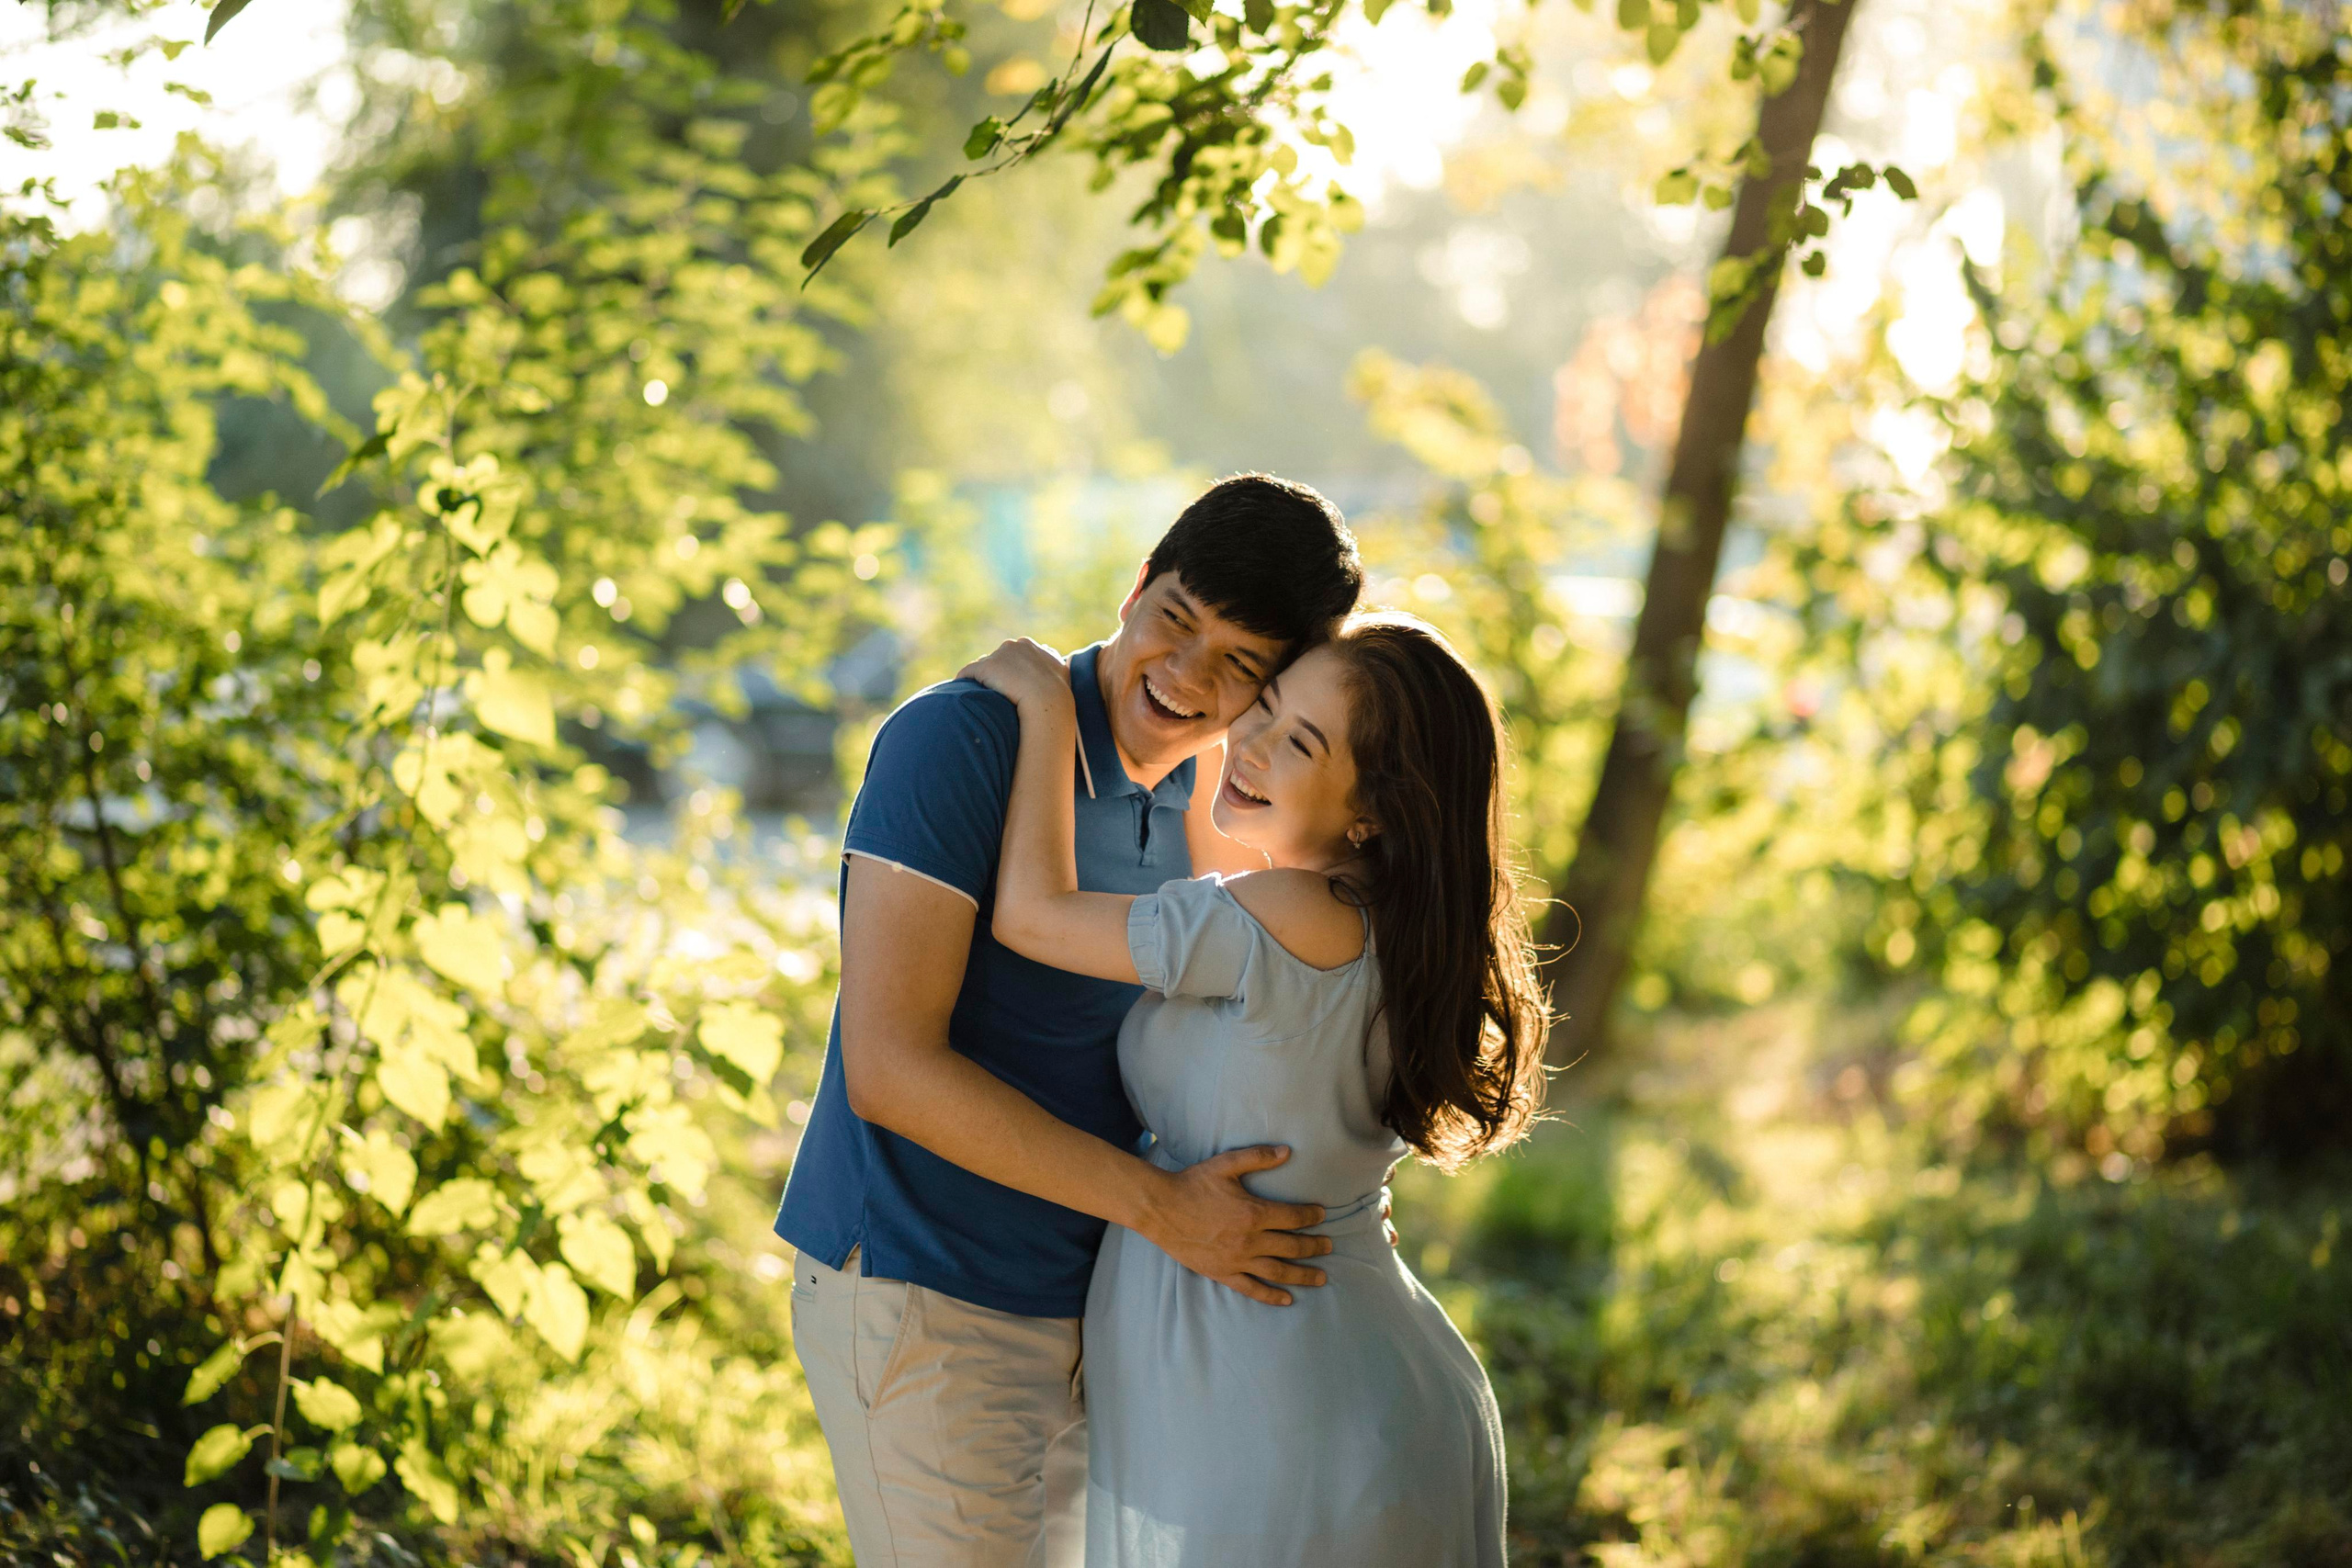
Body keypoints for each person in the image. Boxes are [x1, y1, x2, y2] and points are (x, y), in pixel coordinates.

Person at [774, 475, 1365, 1567]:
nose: (1185, 676)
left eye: (1239, 662)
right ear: (1138, 584)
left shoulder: (1206, 805)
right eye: (1175, 621)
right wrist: (1164, 1211)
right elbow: (891, 1068)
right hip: (927, 1294)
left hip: (1095, 1315)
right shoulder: (967, 740)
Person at [958, 611, 1549, 1568]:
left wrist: (1042, 711)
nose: (1251, 744)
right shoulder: (1384, 928)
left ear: (1374, 811)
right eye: (1263, 708)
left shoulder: (1285, 914)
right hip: (1310, 1379)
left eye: (1300, 741)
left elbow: (1032, 914)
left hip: (1282, 1408)